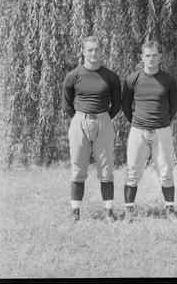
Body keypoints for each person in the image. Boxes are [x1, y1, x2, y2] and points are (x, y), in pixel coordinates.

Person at [62, 36, 122, 223]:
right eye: (89, 50)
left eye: (96, 49)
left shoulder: (111, 76)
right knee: (78, 168)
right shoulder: (73, 75)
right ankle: (75, 212)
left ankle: (109, 211)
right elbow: (67, 104)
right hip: (80, 120)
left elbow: (117, 104)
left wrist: (103, 118)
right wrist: (81, 119)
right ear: (83, 52)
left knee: (106, 168)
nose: (93, 53)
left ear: (102, 51)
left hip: (103, 119)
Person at [121, 41, 177, 221]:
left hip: (162, 130)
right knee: (132, 171)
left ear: (160, 57)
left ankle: (169, 210)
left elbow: (174, 106)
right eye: (147, 55)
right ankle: (129, 212)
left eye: (154, 55)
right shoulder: (132, 79)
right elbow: (125, 105)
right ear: (142, 57)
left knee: (166, 171)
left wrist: (161, 122)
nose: (151, 58)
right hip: (138, 130)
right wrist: (139, 123)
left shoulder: (168, 80)